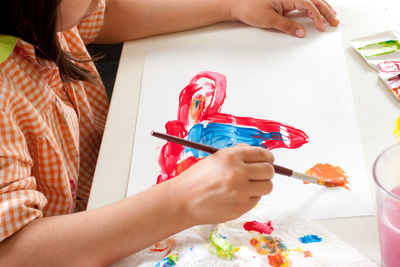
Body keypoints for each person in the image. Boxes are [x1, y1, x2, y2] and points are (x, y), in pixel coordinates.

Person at [0, 0, 338, 265]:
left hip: (101, 201)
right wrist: (183, 199)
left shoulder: (38, 13)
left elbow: (109, 14)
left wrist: (230, 5)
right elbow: (14, 254)